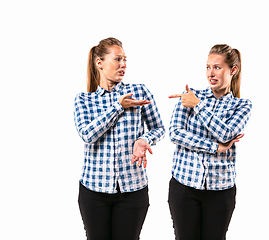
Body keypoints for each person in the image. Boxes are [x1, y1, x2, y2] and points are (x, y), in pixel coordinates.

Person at [74, 37, 165, 240]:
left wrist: (144, 140)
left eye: (125, 59)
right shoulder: (84, 100)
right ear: (100, 63)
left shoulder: (139, 91)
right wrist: (118, 107)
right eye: (117, 59)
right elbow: (87, 135)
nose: (123, 64)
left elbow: (159, 128)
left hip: (133, 190)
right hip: (94, 191)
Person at [168, 44, 252, 240]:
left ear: (233, 70)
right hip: (184, 186)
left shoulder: (242, 105)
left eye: (217, 67)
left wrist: (197, 106)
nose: (210, 73)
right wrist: (215, 147)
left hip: (220, 190)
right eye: (207, 67)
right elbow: (175, 133)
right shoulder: (190, 94)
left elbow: (226, 133)